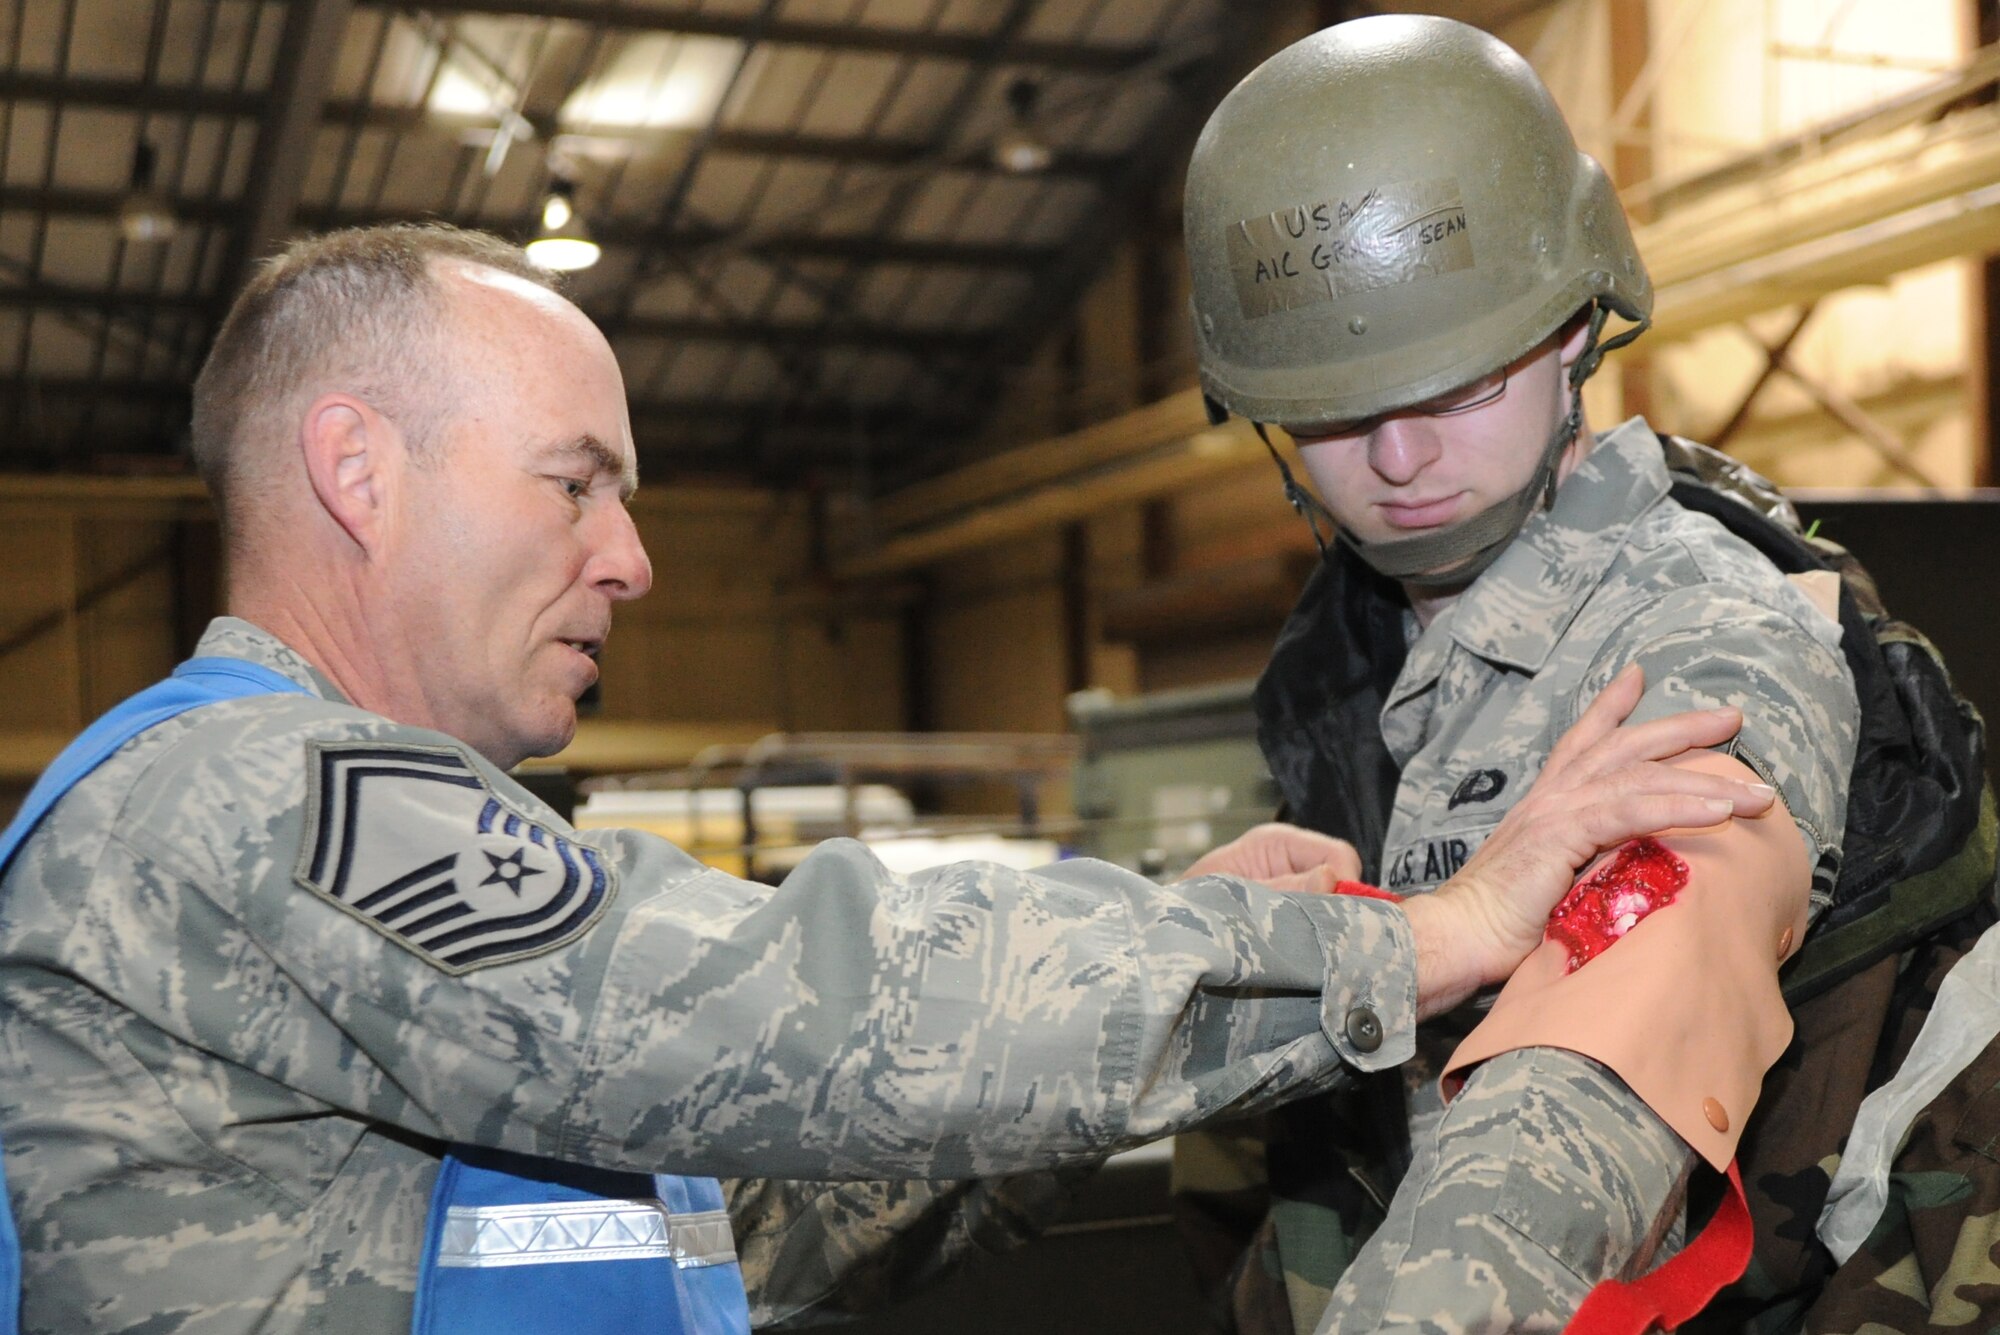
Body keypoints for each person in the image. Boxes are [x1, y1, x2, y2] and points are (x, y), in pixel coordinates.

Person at [0, 223, 1774, 1335]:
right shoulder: (256, 800)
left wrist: (1199, 960)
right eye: (571, 485)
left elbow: (730, 1226)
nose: (629, 560)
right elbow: (780, 1013)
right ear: (355, 469)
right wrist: (1415, 942)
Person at [1170, 12, 1986, 1332]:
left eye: (1456, 379)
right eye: (1333, 411)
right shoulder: (1353, 647)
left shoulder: (1714, 634)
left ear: (1571, 332)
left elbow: (1598, 1066)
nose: (1397, 458)